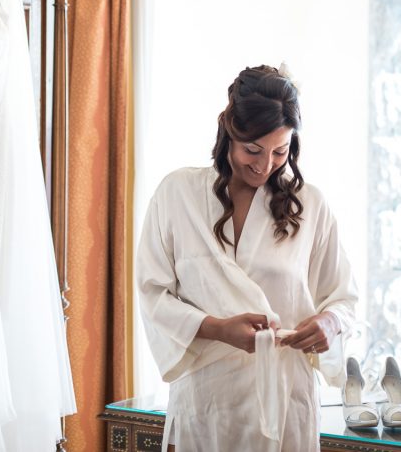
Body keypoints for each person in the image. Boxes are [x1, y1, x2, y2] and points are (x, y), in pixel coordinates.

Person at [137, 64, 359, 451]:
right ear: (228, 133)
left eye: (280, 151)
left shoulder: (310, 205)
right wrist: (218, 328)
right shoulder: (177, 195)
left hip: (285, 398)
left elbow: (343, 299)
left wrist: (328, 322)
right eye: (252, 150)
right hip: (207, 397)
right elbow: (153, 293)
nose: (264, 164)